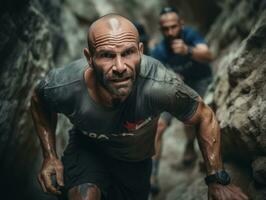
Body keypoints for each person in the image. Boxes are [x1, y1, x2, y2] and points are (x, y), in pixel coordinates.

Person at [30, 14, 248, 200]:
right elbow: (39, 100)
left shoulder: (159, 85)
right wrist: (50, 156)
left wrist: (217, 179)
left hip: (135, 161)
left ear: (141, 52)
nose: (119, 67)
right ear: (89, 58)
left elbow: (204, 116)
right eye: (107, 55)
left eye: (128, 53)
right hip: (88, 149)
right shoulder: (66, 85)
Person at [150, 6, 214, 193]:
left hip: (200, 81)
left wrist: (188, 50)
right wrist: (169, 76)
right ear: (161, 29)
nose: (170, 32)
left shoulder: (191, 35)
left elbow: (209, 55)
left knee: (193, 117)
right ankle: (152, 175)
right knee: (158, 126)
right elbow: (154, 75)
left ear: (181, 24)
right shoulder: (159, 50)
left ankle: (189, 144)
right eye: (166, 29)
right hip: (175, 86)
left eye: (174, 27)